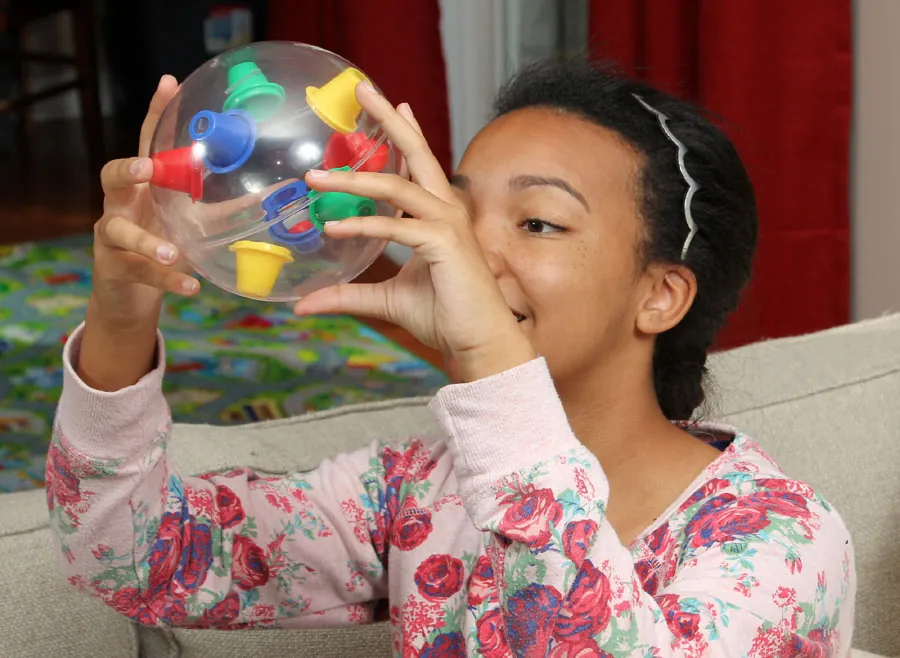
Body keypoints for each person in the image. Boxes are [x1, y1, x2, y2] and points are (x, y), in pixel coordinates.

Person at [46, 58, 855, 656]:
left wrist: (497, 368)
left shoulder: (780, 542)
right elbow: (132, 555)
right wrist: (122, 312)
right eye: (457, 214)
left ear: (660, 295)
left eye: (537, 223)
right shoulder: (415, 492)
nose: (468, 252)